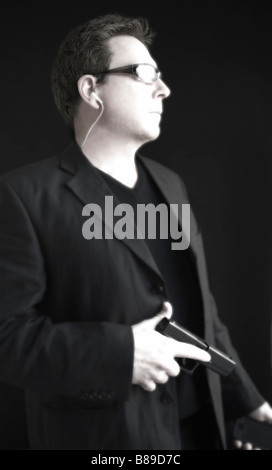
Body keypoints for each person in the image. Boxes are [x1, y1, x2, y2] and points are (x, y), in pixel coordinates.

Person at [0, 13, 271, 451]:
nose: (163, 89)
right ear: (91, 90)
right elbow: (6, 336)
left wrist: (248, 400)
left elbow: (203, 313)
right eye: (144, 74)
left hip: (204, 433)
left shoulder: (171, 184)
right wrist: (120, 355)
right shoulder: (23, 196)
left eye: (161, 77)